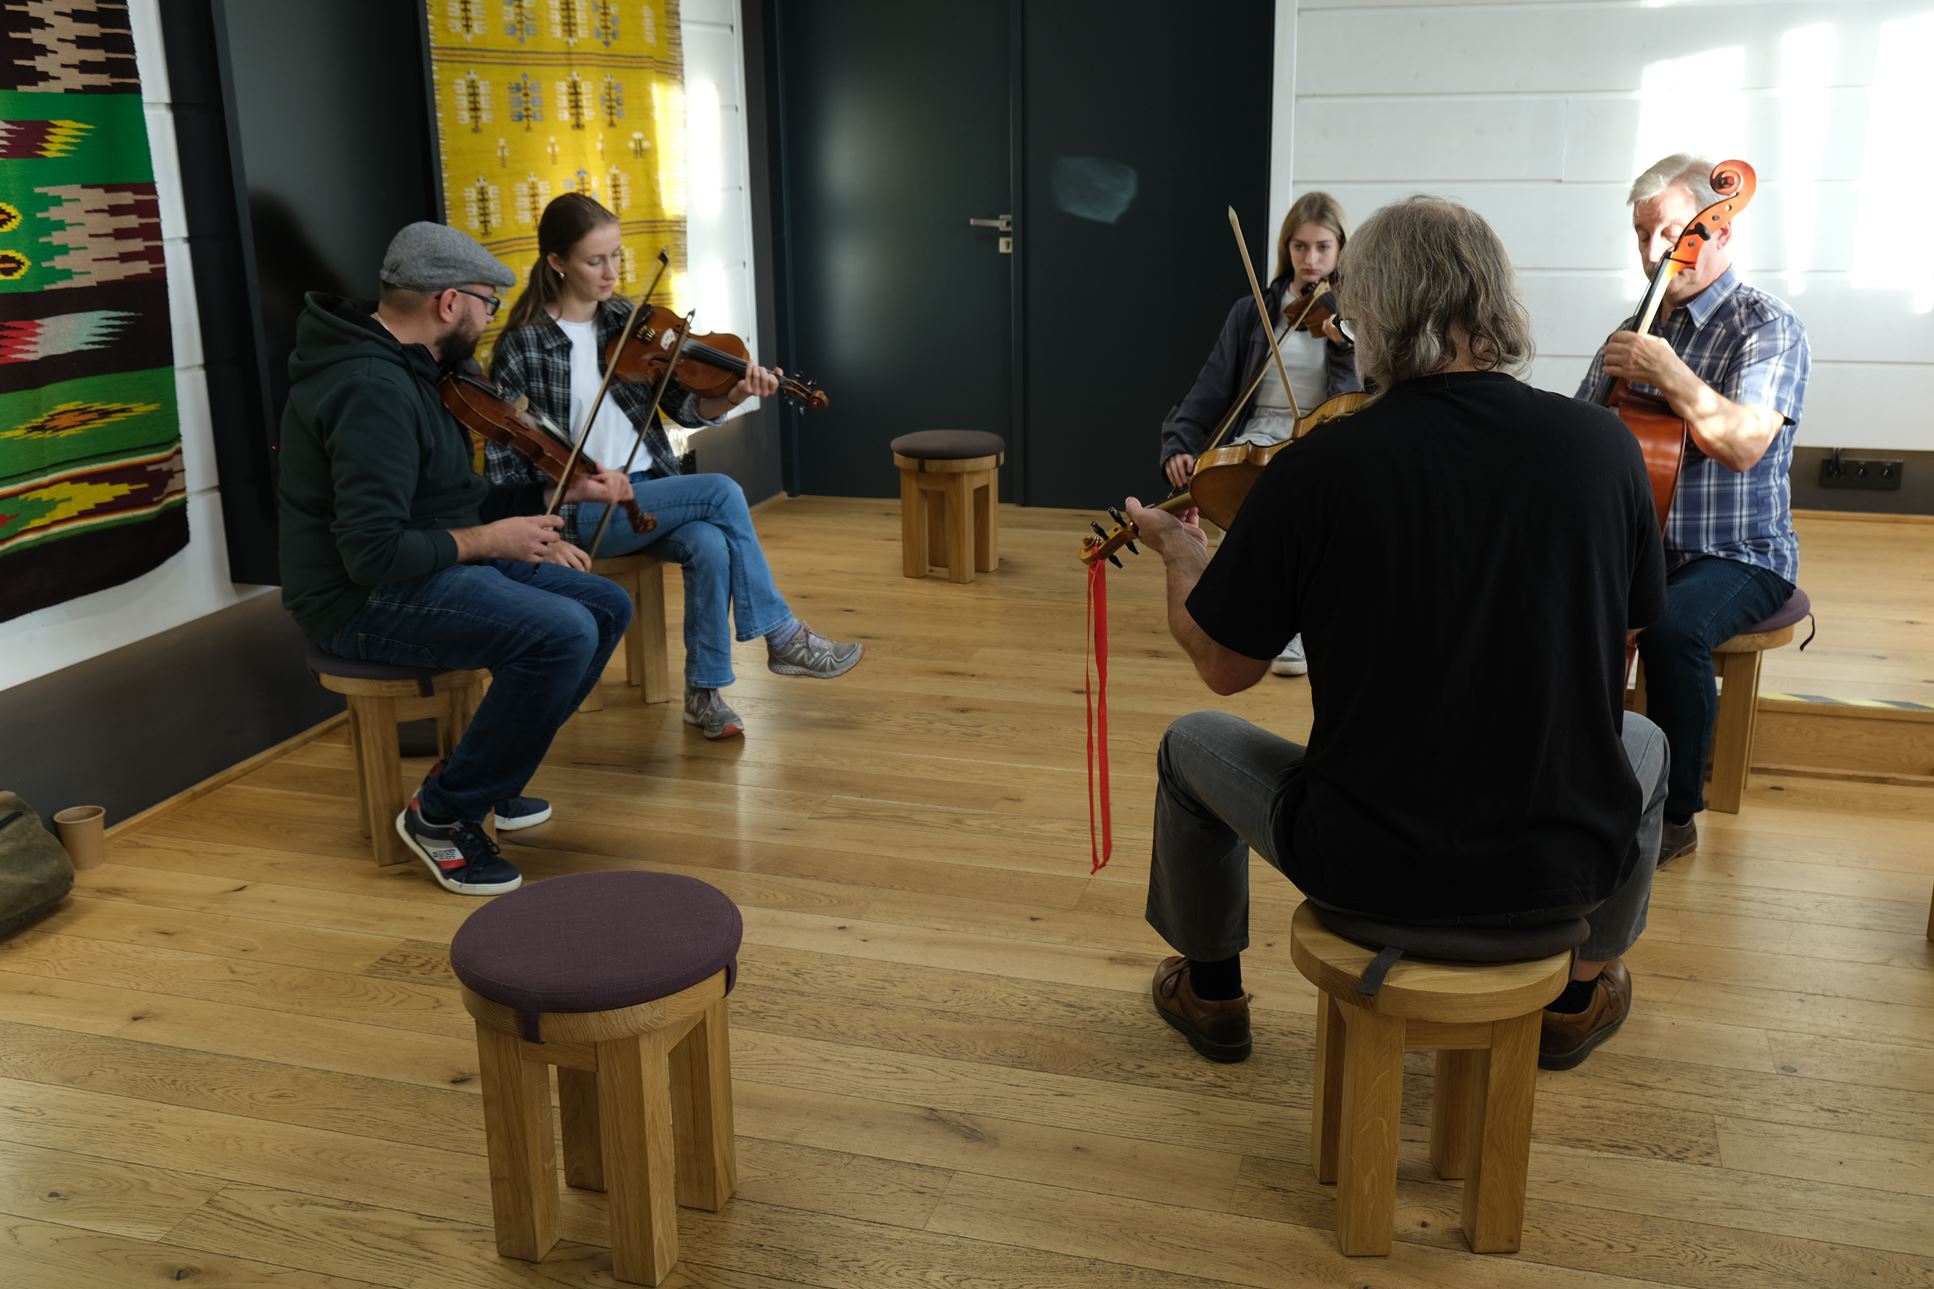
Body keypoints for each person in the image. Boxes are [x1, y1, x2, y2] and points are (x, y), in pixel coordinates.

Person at [1125, 196, 1669, 1072]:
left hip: (1365, 866)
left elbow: (1225, 667)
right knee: (1645, 741)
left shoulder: (1316, 468)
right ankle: (1577, 995)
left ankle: (1213, 992)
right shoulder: (1603, 447)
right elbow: (1630, 632)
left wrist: (1184, 557)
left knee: (1190, 744)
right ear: (1495, 302)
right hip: (1557, 863)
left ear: (1373, 310)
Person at [278, 221, 637, 896]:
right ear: (449, 303)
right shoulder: (371, 389)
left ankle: (491, 774)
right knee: (562, 631)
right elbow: (372, 553)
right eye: (487, 304)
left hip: (426, 563)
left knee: (605, 604)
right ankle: (443, 814)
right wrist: (495, 540)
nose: (490, 318)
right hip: (357, 597)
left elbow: (454, 500)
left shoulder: (429, 372)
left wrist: (550, 495)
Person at [487, 193, 862, 741]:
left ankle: (704, 694)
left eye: (617, 255)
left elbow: (685, 408)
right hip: (582, 508)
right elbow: (503, 465)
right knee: (721, 491)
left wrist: (733, 394)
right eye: (595, 260)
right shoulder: (522, 347)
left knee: (710, 542)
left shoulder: (630, 322)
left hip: (653, 493)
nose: (612, 272)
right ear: (557, 262)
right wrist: (552, 523)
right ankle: (783, 635)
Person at [1578, 153, 1809, 863]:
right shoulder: (1637, 326)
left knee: (1673, 627)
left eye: (1672, 233)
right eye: (1641, 235)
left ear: (1721, 231)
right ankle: (1574, 776)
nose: (1654, 253)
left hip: (1738, 554)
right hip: (1641, 547)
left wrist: (1669, 373)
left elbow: (1742, 444)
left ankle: (1673, 814)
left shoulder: (1767, 327)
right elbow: (1582, 436)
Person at [1159, 192, 1364, 679]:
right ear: (1285, 249)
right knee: (1248, 491)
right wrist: (1180, 441)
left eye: (1323, 247)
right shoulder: (1252, 311)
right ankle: (1250, 624)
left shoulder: (1356, 316)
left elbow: (1358, 398)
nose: (1310, 259)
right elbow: (1211, 386)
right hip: (1258, 434)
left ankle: (1300, 627)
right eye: (1300, 247)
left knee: (1311, 500)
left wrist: (1342, 346)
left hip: (1321, 431)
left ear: (1341, 249)